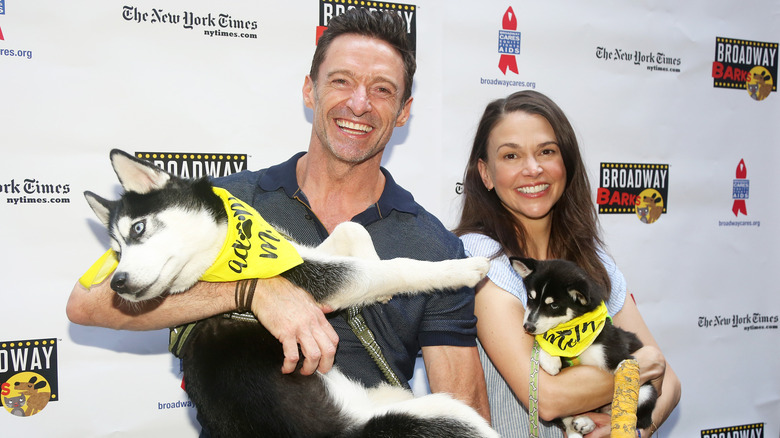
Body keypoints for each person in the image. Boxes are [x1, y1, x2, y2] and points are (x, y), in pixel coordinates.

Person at [66, 8, 490, 432]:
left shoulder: (435, 246)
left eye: (381, 89)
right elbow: (88, 304)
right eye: (341, 81)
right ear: (310, 91)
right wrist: (254, 291)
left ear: (403, 111)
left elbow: (463, 404)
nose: (359, 104)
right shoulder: (228, 203)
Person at [454, 90, 681, 437]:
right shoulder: (480, 259)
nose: (533, 169)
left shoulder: (593, 262)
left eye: (546, 151)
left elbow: (672, 385)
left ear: (567, 162)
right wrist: (639, 368)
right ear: (486, 173)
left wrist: (626, 430)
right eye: (511, 155)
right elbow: (546, 396)